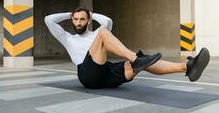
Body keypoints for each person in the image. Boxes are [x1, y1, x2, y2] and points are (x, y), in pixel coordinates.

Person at [44, 7, 210, 89]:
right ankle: (135, 59)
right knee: (105, 35)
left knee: (143, 63)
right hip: (87, 74)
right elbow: (48, 20)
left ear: (88, 21)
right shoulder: (67, 38)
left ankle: (188, 67)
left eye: (82, 19)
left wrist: (91, 14)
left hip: (106, 72)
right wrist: (70, 13)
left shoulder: (96, 33)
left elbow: (107, 21)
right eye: (75, 19)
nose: (78, 22)